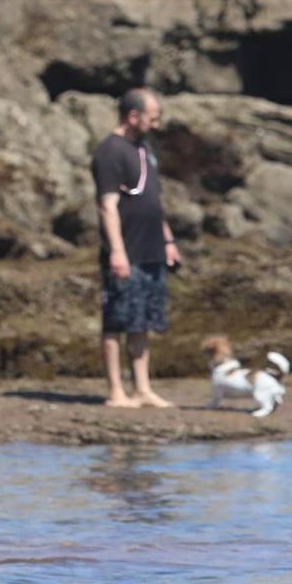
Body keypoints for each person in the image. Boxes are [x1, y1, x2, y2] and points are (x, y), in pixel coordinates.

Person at [91, 88, 180, 409]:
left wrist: (168, 240)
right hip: (125, 250)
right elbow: (107, 206)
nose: (156, 125)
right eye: (152, 118)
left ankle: (142, 388)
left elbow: (153, 202)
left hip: (152, 248)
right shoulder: (110, 152)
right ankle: (116, 391)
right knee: (117, 320)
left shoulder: (143, 148)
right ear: (133, 116)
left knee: (143, 321)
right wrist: (117, 251)